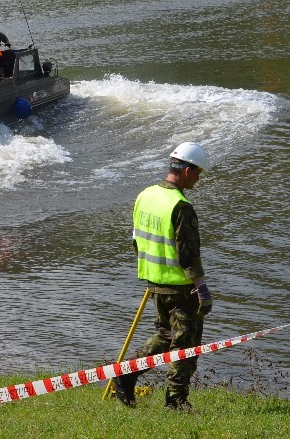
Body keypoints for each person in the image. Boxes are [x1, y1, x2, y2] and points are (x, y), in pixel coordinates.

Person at [111, 142, 213, 412]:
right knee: (186, 345)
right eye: (198, 173)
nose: (198, 178)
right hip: (180, 288)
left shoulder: (145, 195)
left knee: (168, 336)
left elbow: (136, 242)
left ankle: (126, 374)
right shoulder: (181, 206)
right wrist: (202, 289)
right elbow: (188, 255)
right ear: (187, 170)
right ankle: (176, 400)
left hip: (155, 283)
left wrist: (153, 274)